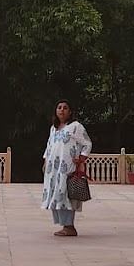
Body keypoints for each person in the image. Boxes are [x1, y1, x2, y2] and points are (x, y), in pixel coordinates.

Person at [42, 100, 92, 237]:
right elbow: (49, 146)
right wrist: (46, 161)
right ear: (55, 111)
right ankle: (64, 225)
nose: (62, 110)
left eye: (65, 108)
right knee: (56, 195)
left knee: (65, 195)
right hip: (53, 170)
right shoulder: (53, 128)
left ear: (70, 112)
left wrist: (81, 158)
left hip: (67, 168)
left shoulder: (76, 127)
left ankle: (69, 226)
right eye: (59, 107)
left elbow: (87, 143)